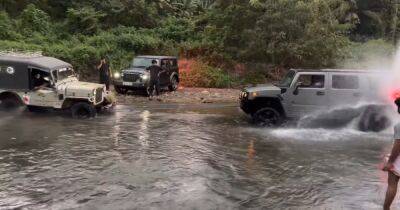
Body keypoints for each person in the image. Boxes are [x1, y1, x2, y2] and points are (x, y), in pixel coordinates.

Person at [383, 98, 400, 210]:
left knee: (392, 184)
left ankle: (386, 208)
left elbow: (398, 145)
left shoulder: (399, 125)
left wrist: (390, 162)